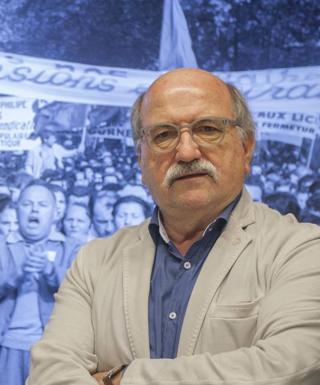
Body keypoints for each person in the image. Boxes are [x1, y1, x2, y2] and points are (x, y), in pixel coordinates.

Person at [27, 68, 320, 385]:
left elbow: (292, 366)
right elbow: (49, 374)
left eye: (207, 129)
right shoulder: (94, 262)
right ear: (141, 160)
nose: (186, 151)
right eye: (163, 135)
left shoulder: (301, 250)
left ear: (246, 147)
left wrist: (122, 378)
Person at [0, 181, 81, 385]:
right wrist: (16, 274)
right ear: (17, 211)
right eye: (27, 204)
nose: (34, 210)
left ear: (56, 213)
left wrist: (52, 273)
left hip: (57, 352)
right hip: (7, 348)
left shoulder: (71, 248)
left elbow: (84, 292)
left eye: (42, 205)